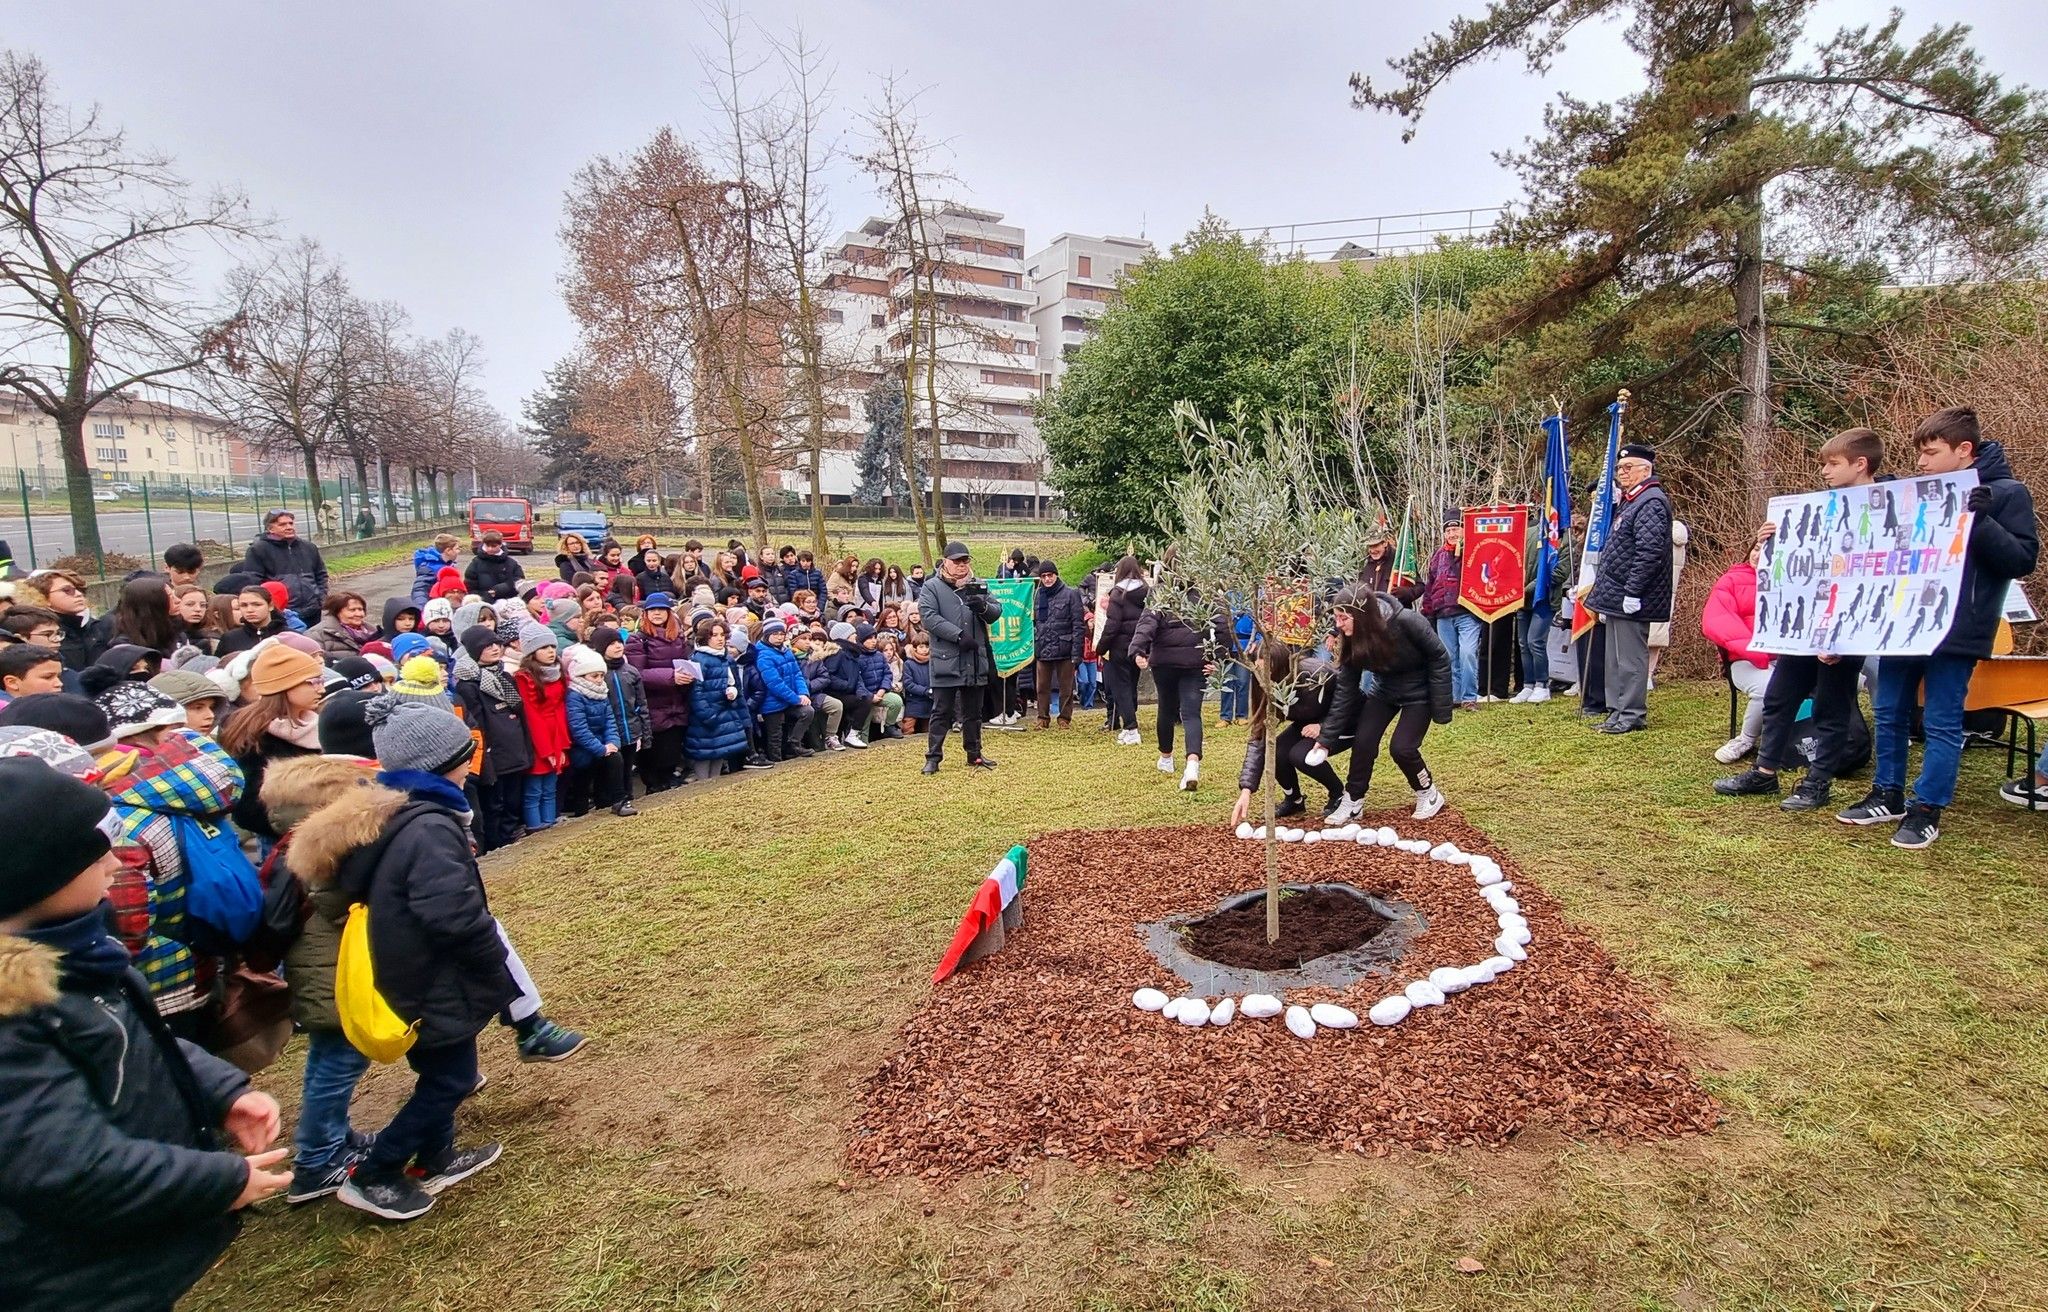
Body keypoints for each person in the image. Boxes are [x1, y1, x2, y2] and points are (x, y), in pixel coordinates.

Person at [0, 757, 290, 1306]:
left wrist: (221, 1090)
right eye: (94, 851)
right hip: (66, 1278)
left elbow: (138, 1039)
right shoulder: (14, 1010)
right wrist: (217, 1183)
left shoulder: (75, 950)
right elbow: (67, 1168)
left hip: (117, 1253)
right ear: (39, 873)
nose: (115, 862)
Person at [330, 698, 515, 1222]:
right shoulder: (429, 826)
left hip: (410, 968)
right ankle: (377, 1173)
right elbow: (453, 914)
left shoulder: (402, 811)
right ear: (444, 763)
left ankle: (437, 1154)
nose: (473, 762)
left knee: (439, 1067)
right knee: (452, 1078)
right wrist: (495, 965)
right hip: (429, 972)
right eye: (467, 754)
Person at [1841, 407, 2038, 848]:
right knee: (1890, 712)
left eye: (1931, 453)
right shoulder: (1916, 491)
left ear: (1964, 450)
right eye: (1920, 454)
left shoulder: (2007, 493)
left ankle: (1927, 808)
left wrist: (1982, 523)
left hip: (1957, 629)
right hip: (1901, 623)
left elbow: (2022, 560)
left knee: (1942, 721)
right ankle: (1887, 793)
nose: (1922, 462)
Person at [1714, 428, 1882, 810]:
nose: (1824, 471)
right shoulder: (1819, 508)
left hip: (1845, 630)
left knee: (1831, 707)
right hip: (1803, 627)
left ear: (1861, 464)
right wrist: (1770, 541)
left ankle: (1817, 783)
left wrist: (1839, 635)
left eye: (1832, 463)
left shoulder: (1882, 508)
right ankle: (1765, 773)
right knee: (1779, 696)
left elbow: (1871, 578)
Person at [1320, 585, 1456, 821]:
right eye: (1336, 618)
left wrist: (1441, 706)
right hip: (1384, 691)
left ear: (1361, 615)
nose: (1338, 625)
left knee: (1402, 748)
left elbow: (1440, 657)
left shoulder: (1406, 621)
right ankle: (1353, 800)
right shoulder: (1352, 637)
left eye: (1344, 618)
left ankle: (1428, 792)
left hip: (1419, 692)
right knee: (1363, 741)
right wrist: (1325, 739)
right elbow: (1346, 689)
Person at [1581, 443, 1673, 734]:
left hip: (1632, 595)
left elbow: (1649, 552)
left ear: (1646, 469)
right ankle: (1617, 710)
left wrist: (1633, 591)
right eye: (1620, 468)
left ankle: (1632, 713)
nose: (1622, 472)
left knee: (1631, 658)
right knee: (1615, 658)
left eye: (1628, 467)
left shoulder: (1651, 501)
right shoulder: (1631, 501)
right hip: (1616, 594)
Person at [1229, 644, 1346, 826]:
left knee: (1301, 755)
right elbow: (1259, 735)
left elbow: (1349, 697)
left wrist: (1323, 726)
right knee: (1276, 751)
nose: (1264, 677)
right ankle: (1294, 800)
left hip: (1345, 723)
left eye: (1269, 670)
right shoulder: (1265, 686)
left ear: (1282, 665)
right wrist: (1246, 790)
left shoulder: (1313, 672)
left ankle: (1338, 793)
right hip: (1308, 722)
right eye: (1259, 670)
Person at [920, 541, 1003, 775]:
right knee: (941, 711)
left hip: (974, 659)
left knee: (973, 712)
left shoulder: (978, 585)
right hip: (947, 658)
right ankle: (933, 757)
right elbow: (929, 618)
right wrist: (957, 636)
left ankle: (974, 753)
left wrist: (982, 607)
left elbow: (996, 612)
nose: (961, 566)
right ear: (945, 562)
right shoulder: (931, 587)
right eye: (956, 561)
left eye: (965, 561)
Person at [1130, 586, 1223, 792]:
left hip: (1164, 661)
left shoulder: (1159, 593)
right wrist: (1219, 656)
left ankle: (1166, 758)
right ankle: (1192, 765)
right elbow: (1222, 623)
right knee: (1191, 714)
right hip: (1195, 661)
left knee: (1165, 709)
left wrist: (1138, 649)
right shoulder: (1204, 591)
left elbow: (1147, 622)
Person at [451, 625, 532, 850]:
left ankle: (511, 833)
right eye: (487, 646)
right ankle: (498, 842)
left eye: (496, 643)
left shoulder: (504, 675)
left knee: (513, 799)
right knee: (495, 802)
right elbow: (478, 724)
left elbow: (519, 712)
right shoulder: (469, 685)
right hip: (494, 752)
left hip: (514, 746)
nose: (495, 649)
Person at [624, 594, 693, 794]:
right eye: (652, 610)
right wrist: (671, 676)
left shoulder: (678, 638)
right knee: (654, 755)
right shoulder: (638, 640)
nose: (657, 613)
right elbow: (638, 674)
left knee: (671, 752)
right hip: (653, 706)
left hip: (677, 703)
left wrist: (688, 676)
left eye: (661, 610)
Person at [1419, 514, 1481, 709]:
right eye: (1448, 530)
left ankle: (1469, 696)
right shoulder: (1438, 556)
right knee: (1449, 657)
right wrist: (1427, 609)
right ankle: (1454, 697)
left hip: (1467, 612)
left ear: (1463, 530)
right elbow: (1430, 584)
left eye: (1456, 529)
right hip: (1443, 614)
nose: (1452, 534)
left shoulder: (1473, 551)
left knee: (1468, 654)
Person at [512, 622, 570, 831]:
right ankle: (536, 826)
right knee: (534, 788)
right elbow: (531, 715)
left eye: (552, 647)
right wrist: (546, 750)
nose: (550, 651)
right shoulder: (524, 678)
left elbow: (561, 708)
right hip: (538, 738)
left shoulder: (558, 673)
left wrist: (562, 745)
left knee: (550, 786)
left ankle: (550, 821)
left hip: (557, 732)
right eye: (544, 648)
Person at [684, 619, 749, 781]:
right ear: (706, 637)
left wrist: (732, 692)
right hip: (706, 719)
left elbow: (735, 684)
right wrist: (709, 716)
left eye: (722, 635)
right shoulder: (699, 659)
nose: (720, 639)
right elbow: (695, 693)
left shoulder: (727, 659)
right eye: (715, 635)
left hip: (724, 713)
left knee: (720, 753)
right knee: (704, 757)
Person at [238, 510, 328, 623]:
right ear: (270, 529)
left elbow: (321, 574)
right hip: (282, 613)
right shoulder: (258, 550)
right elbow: (253, 581)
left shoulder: (309, 547)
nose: (289, 527)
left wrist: (320, 598)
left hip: (313, 610)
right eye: (282, 524)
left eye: (291, 523)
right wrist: (271, 606)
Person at [1099, 555, 1149, 744]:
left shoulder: (1118, 594)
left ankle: (1131, 728)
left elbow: (1112, 625)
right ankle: (1131, 722)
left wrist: (1101, 647)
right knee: (1132, 686)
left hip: (1119, 648)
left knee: (1121, 689)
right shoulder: (1146, 592)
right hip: (1139, 646)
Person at [1030, 559, 1085, 730]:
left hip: (1065, 647)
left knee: (1066, 688)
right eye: (1044, 576)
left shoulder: (1071, 594)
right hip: (1043, 646)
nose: (1047, 579)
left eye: (1050, 575)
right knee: (1042, 687)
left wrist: (1077, 652)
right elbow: (1034, 623)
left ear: (1056, 575)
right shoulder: (1038, 595)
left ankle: (1064, 718)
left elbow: (1078, 624)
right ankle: (1042, 718)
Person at [751, 618, 814, 761]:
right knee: (775, 736)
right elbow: (774, 683)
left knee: (807, 712)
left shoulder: (786, 651)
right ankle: (776, 761)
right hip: (771, 702)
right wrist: (796, 698)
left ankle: (794, 744)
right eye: (775, 634)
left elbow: (797, 674)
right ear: (767, 635)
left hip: (790, 698)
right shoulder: (763, 655)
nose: (779, 637)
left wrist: (803, 693)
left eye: (782, 633)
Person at [23, 568, 95, 670]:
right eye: (67, 590)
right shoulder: (38, 632)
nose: (79, 594)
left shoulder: (92, 625)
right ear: (42, 597)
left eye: (80, 590)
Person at [215, 586, 289, 659]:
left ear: (270, 606)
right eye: (244, 605)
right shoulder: (230, 638)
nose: (249, 610)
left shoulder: (288, 636)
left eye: (257, 605)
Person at [310, 591, 376, 659]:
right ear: (336, 612)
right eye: (352, 610)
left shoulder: (374, 632)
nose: (358, 614)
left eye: (360, 609)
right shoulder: (316, 634)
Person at [465, 530, 525, 601]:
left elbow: (519, 582)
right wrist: (486, 596)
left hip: (507, 600)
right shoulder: (476, 563)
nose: (490, 549)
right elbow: (469, 585)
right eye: (487, 546)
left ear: (500, 545)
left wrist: (503, 588)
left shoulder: (511, 563)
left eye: (493, 546)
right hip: (483, 601)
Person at [0, 644, 64, 705]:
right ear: (12, 682)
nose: (59, 684)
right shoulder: (7, 714)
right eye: (47, 677)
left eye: (58, 676)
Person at [411, 534, 460, 606]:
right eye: (457, 549)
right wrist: (422, 610)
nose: (458, 551)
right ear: (448, 550)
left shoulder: (448, 565)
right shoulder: (431, 568)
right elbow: (420, 590)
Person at [902, 633, 934, 733]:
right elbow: (908, 684)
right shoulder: (908, 663)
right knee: (908, 728)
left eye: (927, 647)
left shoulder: (932, 662)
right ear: (915, 648)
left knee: (928, 730)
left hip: (930, 700)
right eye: (921, 647)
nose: (925, 649)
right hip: (914, 701)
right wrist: (925, 690)